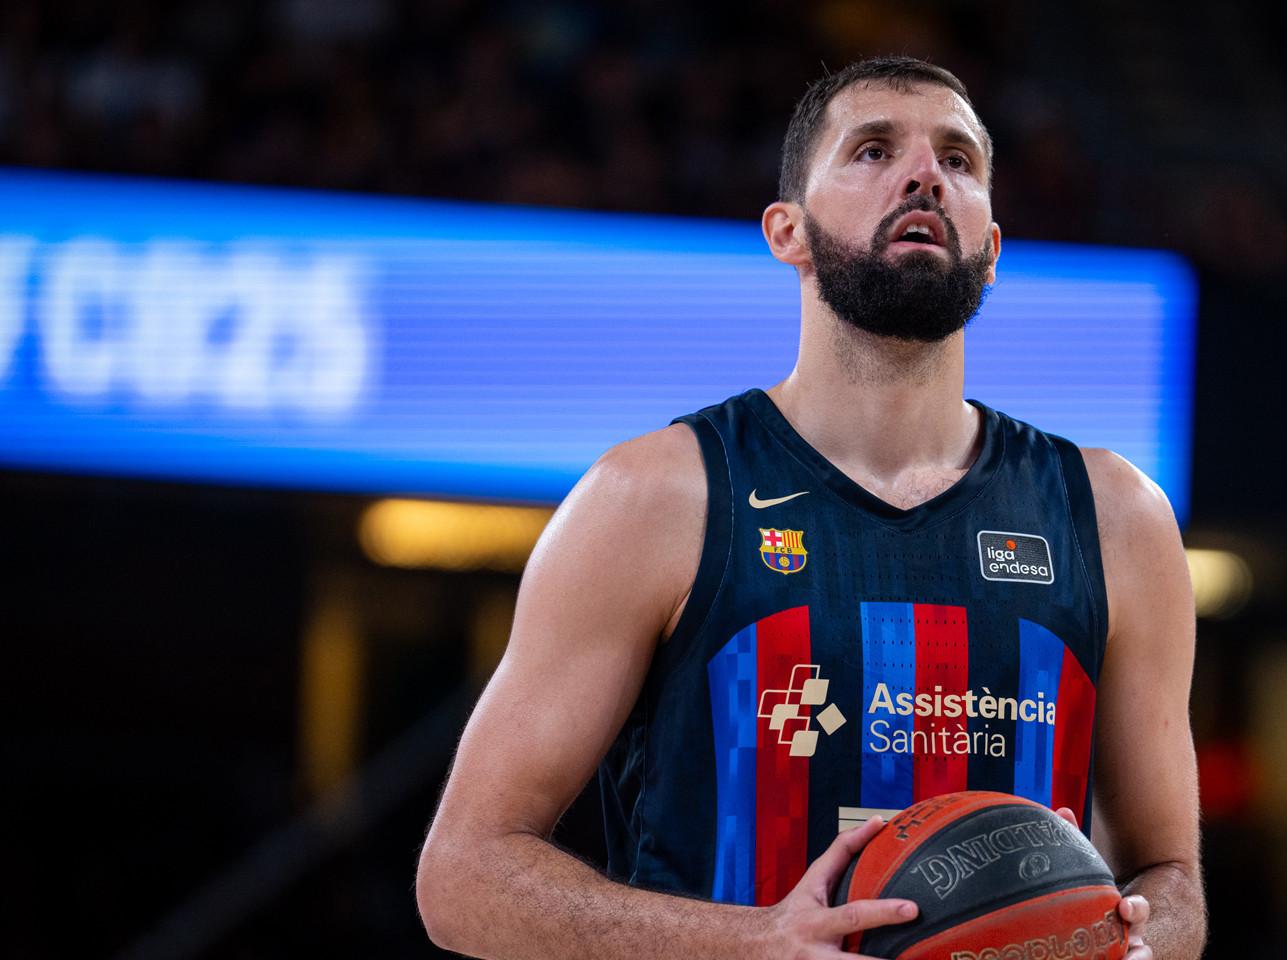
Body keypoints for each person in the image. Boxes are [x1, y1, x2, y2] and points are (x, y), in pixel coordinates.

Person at [416, 56, 1205, 960]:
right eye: (873, 150)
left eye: (958, 160)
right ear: (786, 231)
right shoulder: (654, 497)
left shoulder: (1114, 516)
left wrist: (1135, 944)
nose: (924, 175)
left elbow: (1172, 880)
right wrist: (753, 943)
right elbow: (464, 874)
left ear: (991, 252)